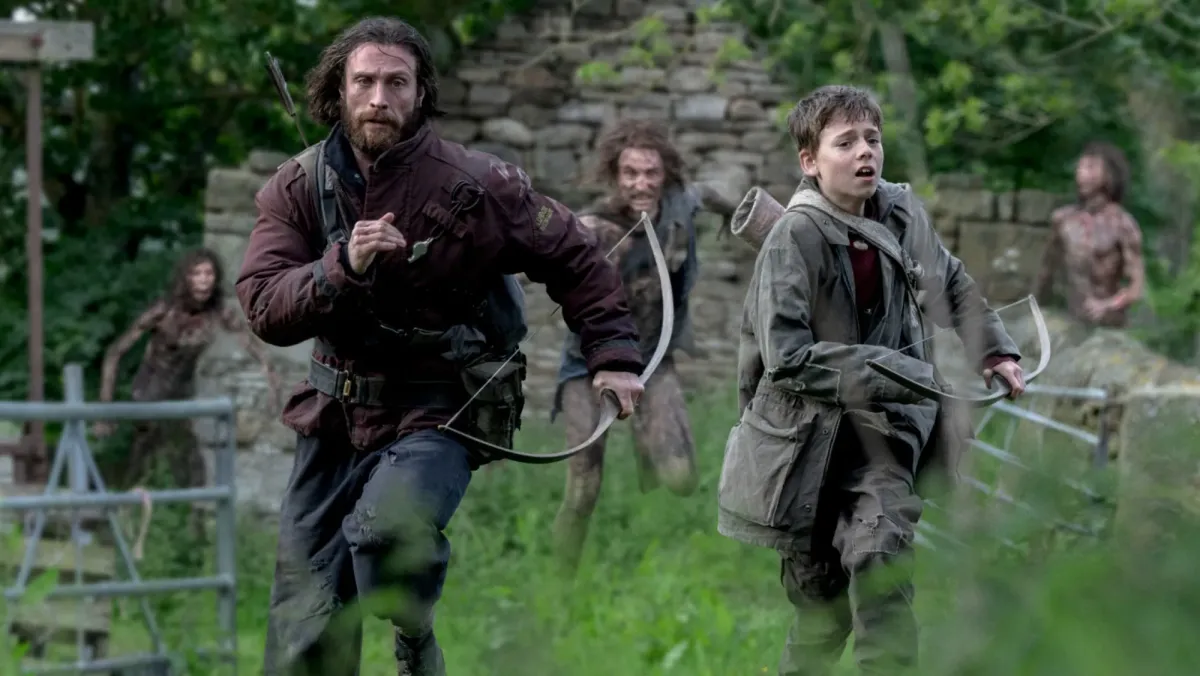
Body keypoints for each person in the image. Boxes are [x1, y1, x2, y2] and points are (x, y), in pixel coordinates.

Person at [235, 16, 646, 676]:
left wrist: (615, 356)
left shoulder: (480, 183)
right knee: (302, 635)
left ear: (420, 92)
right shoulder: (298, 186)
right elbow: (263, 305)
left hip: (439, 411)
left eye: (396, 83)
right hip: (333, 418)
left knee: (388, 529)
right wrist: (342, 265)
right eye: (364, 82)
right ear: (338, 91)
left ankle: (415, 636)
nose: (378, 98)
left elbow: (576, 256)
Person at [718, 85, 1027, 675]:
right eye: (846, 142)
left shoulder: (901, 212)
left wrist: (994, 351)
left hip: (884, 434)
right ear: (810, 161)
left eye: (873, 139)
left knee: (881, 556)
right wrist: (900, 370)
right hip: (802, 444)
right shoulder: (792, 237)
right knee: (821, 614)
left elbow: (948, 283)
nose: (865, 152)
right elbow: (786, 357)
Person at [550, 118, 736, 572]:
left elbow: (713, 196)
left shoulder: (680, 206)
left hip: (653, 361)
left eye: (651, 173)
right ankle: (559, 585)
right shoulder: (593, 226)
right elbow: (537, 253)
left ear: (666, 174)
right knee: (583, 489)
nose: (641, 183)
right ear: (614, 175)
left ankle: (647, 444)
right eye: (630, 173)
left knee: (680, 477)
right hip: (587, 367)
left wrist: (739, 219)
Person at [93, 247, 281, 491]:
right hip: (150, 394)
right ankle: (123, 503)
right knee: (145, 461)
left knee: (189, 470)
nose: (203, 280)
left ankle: (186, 510)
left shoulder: (218, 314)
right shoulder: (164, 311)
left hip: (181, 397)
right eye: (196, 273)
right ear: (185, 278)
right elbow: (114, 353)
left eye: (208, 273)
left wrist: (272, 382)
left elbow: (255, 348)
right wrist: (104, 409)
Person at [1034, 141, 1145, 327]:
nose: (1082, 174)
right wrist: (1037, 313)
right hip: (1071, 322)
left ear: (1109, 175)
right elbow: (1045, 275)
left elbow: (1136, 287)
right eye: (1080, 167)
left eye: (1091, 167)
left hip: (1109, 327)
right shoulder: (1063, 220)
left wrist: (1107, 305)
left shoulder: (1123, 225)